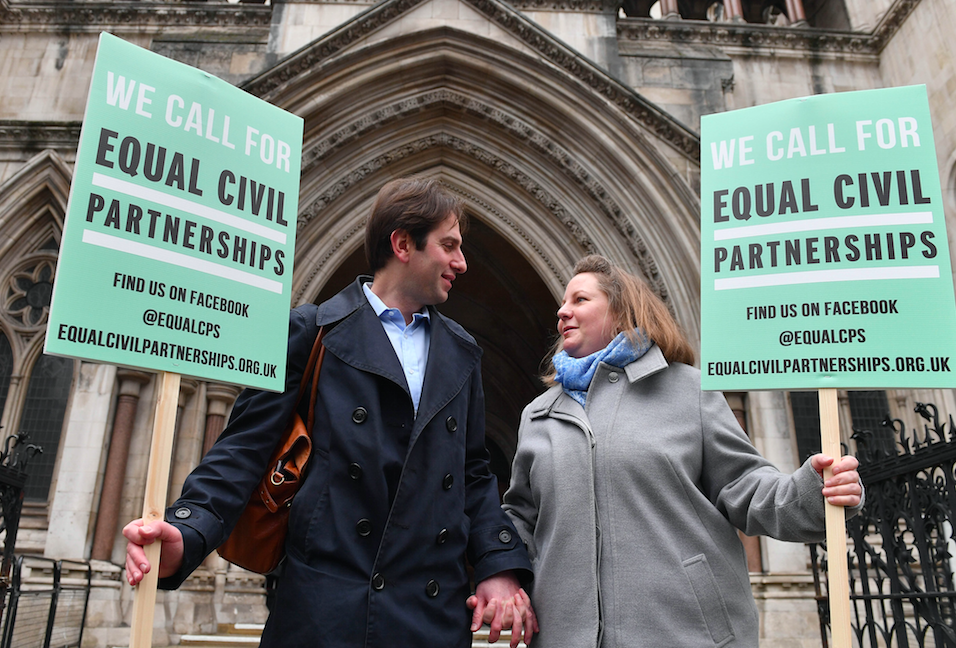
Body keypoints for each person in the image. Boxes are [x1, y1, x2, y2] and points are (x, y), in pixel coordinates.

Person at [124, 177, 537, 648]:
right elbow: (242, 451)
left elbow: (473, 475)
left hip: (430, 615)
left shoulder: (463, 353)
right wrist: (187, 528)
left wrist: (498, 566)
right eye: (449, 246)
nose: (462, 263)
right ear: (403, 244)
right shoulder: (311, 331)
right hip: (323, 613)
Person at [502, 254, 863, 647]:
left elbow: (745, 486)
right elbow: (521, 520)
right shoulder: (538, 415)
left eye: (579, 300)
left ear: (622, 313)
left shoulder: (688, 390)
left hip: (684, 632)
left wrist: (813, 492)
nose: (562, 310)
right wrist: (499, 572)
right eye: (563, 302)